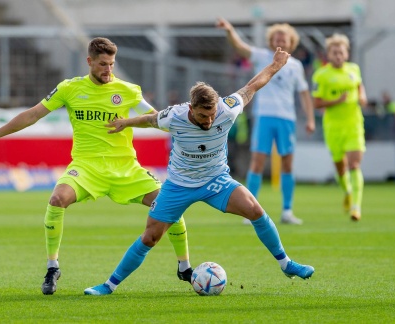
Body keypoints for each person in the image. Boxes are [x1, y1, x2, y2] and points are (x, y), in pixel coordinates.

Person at [0, 37, 192, 295]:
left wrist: (129, 122)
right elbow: (33, 115)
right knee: (57, 199)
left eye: (112, 64)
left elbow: (155, 119)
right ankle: (53, 267)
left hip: (126, 168)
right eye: (103, 64)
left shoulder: (128, 90)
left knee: (169, 205)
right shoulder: (69, 88)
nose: (108, 70)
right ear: (89, 62)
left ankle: (184, 266)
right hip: (86, 167)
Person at [83, 47, 314, 296]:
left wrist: (276, 65)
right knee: (150, 236)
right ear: (192, 109)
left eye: (212, 115)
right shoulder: (175, 116)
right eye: (204, 116)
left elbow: (253, 86)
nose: (209, 122)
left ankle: (286, 264)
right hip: (179, 185)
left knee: (255, 210)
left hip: (216, 180)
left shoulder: (227, 108)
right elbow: (150, 119)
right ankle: (109, 286)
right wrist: (125, 122)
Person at [216, 18, 315, 225]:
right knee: (257, 162)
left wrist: (310, 118)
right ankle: (250, 210)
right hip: (264, 116)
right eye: (276, 37)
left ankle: (287, 211)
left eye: (284, 38)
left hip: (286, 119)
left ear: (291, 42)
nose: (280, 40)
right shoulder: (262, 57)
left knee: (287, 164)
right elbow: (240, 47)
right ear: (271, 40)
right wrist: (230, 29)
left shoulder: (295, 66)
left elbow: (304, 93)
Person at [311, 34, 368, 221]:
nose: (338, 55)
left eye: (341, 52)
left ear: (346, 53)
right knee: (340, 167)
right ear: (329, 54)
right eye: (334, 52)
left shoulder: (354, 69)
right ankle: (347, 191)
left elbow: (359, 86)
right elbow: (316, 103)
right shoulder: (321, 75)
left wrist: (362, 97)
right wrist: (337, 101)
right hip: (333, 126)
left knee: (354, 164)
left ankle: (356, 207)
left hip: (353, 124)